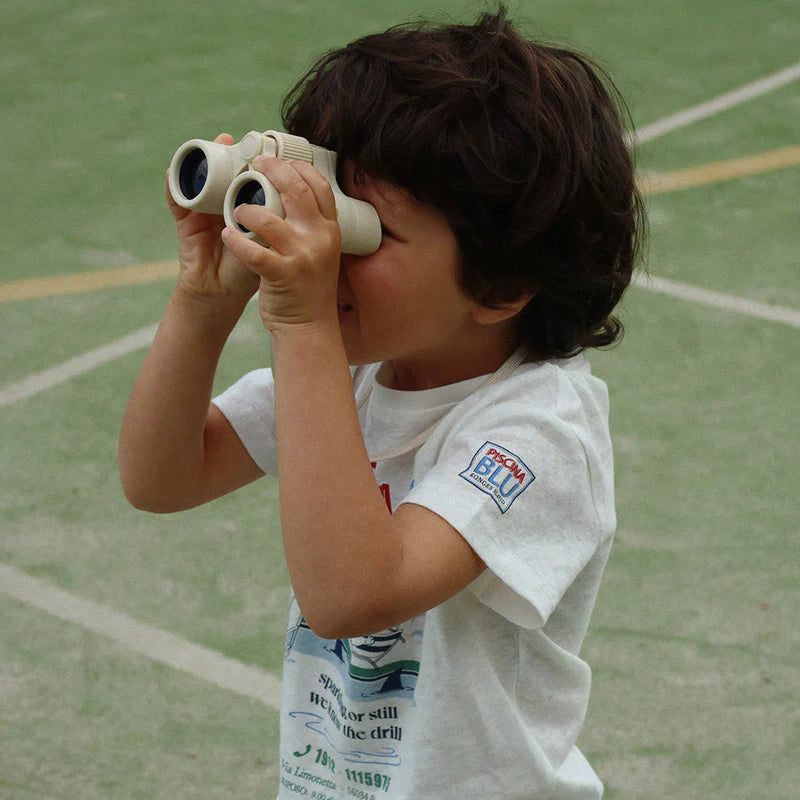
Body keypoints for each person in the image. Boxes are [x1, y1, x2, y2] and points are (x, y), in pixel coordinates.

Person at [119, 6, 644, 798]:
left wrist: (303, 325)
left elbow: (351, 597)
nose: (323, 248)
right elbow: (162, 477)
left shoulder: (539, 432)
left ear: (499, 284)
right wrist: (203, 299)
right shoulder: (362, 375)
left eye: (359, 231)